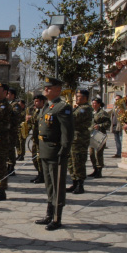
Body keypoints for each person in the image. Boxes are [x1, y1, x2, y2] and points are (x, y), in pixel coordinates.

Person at [35, 77, 74, 231]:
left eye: (49, 87)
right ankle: (49, 214)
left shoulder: (62, 107)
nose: (46, 89)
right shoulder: (47, 107)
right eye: (45, 87)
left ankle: (57, 218)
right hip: (45, 151)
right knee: (49, 185)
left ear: (58, 89)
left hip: (55, 152)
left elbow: (67, 134)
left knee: (57, 186)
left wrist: (63, 152)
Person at [67, 89, 93, 194]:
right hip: (73, 139)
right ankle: (74, 183)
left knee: (78, 162)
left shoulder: (85, 109)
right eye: (76, 97)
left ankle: (80, 185)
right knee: (71, 162)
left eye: (80, 97)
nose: (77, 98)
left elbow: (73, 117)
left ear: (86, 98)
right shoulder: (78, 108)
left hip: (80, 140)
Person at [88, 98, 110, 178]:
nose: (93, 105)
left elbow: (108, 123)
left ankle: (99, 170)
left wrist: (100, 125)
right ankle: (95, 168)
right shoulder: (91, 112)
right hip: (91, 134)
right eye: (93, 103)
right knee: (91, 153)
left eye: (95, 103)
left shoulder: (103, 113)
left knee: (98, 153)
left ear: (99, 104)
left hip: (99, 135)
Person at [26, 94, 46, 183]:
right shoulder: (36, 111)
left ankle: (43, 175)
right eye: (34, 101)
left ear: (43, 102)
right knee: (35, 158)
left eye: (37, 101)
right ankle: (39, 173)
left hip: (41, 139)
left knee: (40, 158)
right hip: (35, 138)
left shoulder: (45, 111)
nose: (35, 103)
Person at [6, 88, 21, 176]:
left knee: (11, 149)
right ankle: (8, 166)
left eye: (8, 94)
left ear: (13, 95)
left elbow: (14, 115)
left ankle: (11, 167)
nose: (7, 95)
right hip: (7, 131)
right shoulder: (8, 104)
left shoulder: (15, 105)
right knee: (7, 149)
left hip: (12, 131)